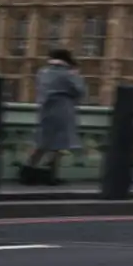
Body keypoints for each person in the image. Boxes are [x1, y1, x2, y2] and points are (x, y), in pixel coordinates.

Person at [22, 49, 85, 185]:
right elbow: (79, 91)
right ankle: (50, 175)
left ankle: (28, 172)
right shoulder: (69, 73)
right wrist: (76, 77)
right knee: (60, 143)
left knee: (41, 142)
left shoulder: (42, 72)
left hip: (45, 108)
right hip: (63, 108)